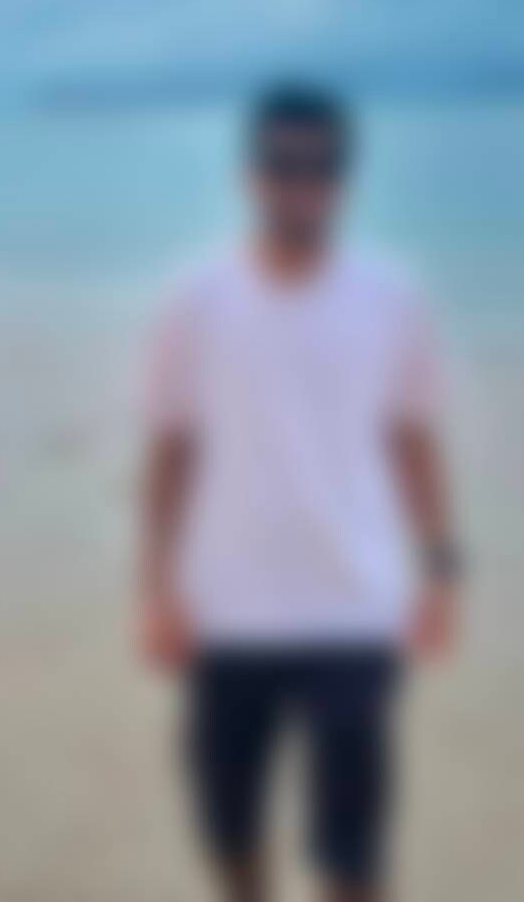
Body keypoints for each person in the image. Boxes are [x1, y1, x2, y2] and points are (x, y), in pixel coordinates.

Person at [135, 84, 464, 902]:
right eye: (283, 164)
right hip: (227, 611)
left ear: (345, 179)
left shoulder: (391, 295)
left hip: (354, 607)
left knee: (355, 853)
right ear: (249, 174)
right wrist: (156, 588)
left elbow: (413, 437)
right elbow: (172, 449)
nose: (301, 183)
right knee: (228, 827)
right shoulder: (195, 299)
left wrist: (441, 570)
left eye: (321, 165)